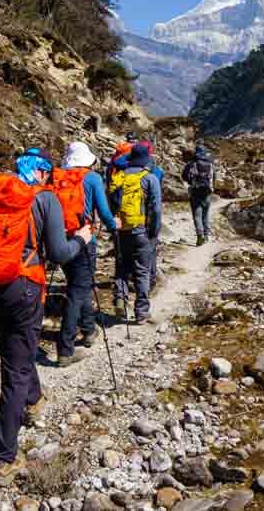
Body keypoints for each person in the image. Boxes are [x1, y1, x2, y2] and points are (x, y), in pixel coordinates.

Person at [0, 149, 92, 488]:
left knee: (16, 349)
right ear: (44, 173)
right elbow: (60, 254)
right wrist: (82, 239)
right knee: (16, 367)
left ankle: (34, 401)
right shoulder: (45, 199)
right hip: (22, 289)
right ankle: (4, 459)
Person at [52, 141, 120, 367]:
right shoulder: (92, 178)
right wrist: (113, 226)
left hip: (60, 239)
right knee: (77, 290)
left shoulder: (57, 177)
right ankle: (65, 349)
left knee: (78, 285)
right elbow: (103, 209)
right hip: (83, 238)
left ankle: (89, 330)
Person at [108, 143, 162, 323]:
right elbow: (155, 209)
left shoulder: (119, 177)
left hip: (120, 230)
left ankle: (120, 301)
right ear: (146, 159)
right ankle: (141, 312)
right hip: (141, 231)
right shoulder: (150, 178)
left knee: (121, 268)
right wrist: (153, 232)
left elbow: (111, 204)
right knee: (142, 271)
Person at [182, 145, 216, 245]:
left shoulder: (192, 163)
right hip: (207, 192)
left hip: (195, 191)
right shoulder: (210, 163)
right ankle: (206, 236)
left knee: (197, 214)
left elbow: (184, 176)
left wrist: (190, 182)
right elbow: (214, 177)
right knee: (205, 214)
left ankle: (200, 236)